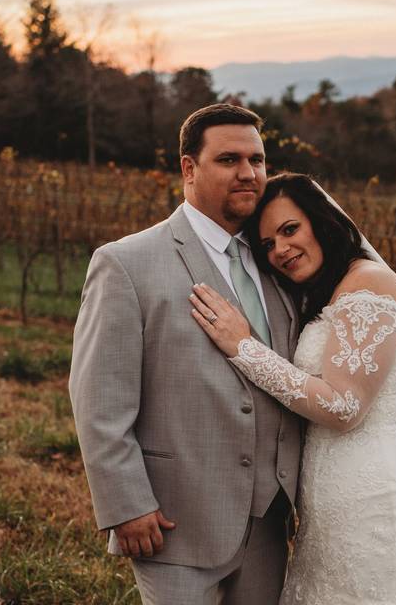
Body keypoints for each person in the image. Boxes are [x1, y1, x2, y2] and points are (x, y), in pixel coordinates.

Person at [189, 172, 396, 604]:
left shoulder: (367, 284)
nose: (281, 250)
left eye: (290, 230)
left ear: (321, 221)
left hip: (380, 497)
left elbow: (344, 406)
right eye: (268, 244)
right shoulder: (338, 288)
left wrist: (243, 347)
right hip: (344, 497)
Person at [69, 104, 302, 605]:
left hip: (270, 524)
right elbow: (99, 399)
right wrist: (125, 505)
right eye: (229, 160)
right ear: (189, 169)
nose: (249, 173)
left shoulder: (279, 261)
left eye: (258, 160)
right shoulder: (126, 263)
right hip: (174, 519)